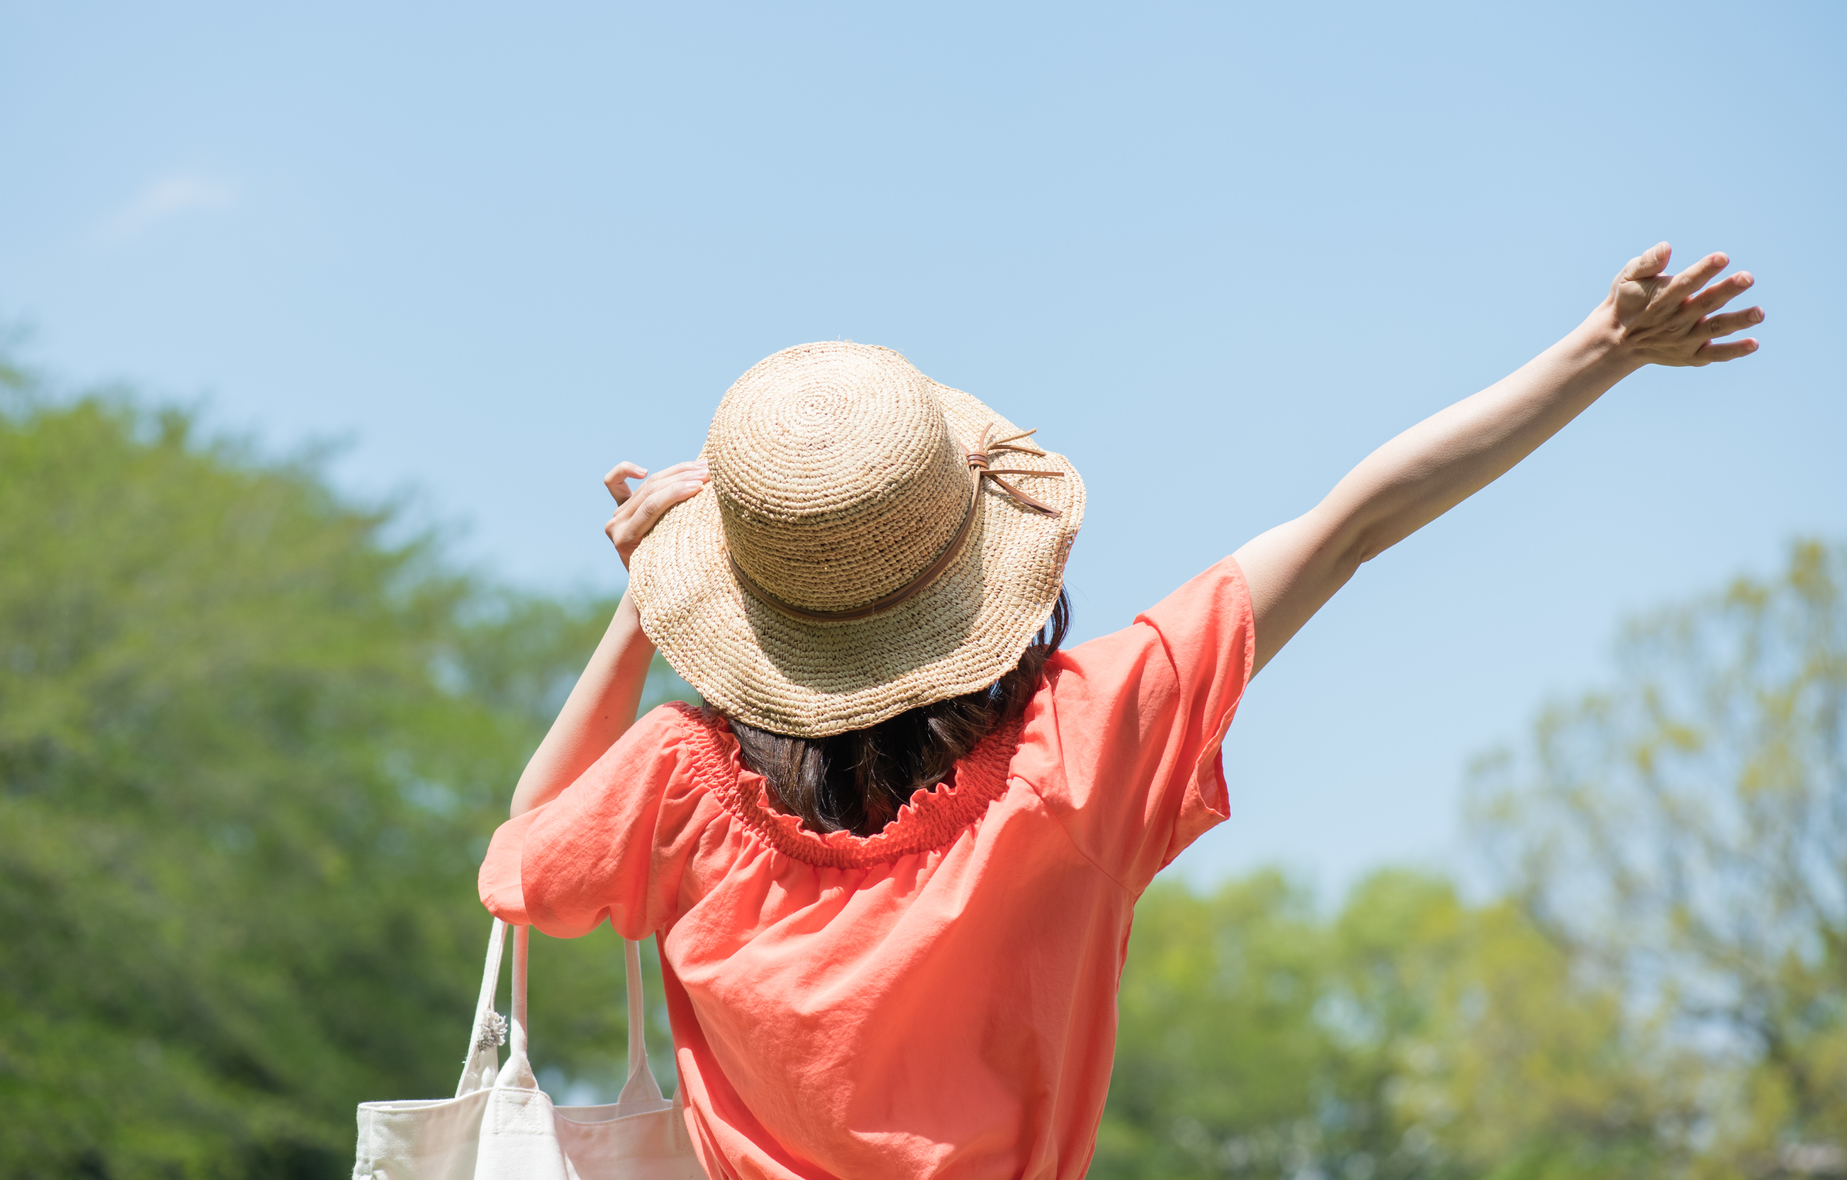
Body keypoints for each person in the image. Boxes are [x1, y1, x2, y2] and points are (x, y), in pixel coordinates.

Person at [479, 243, 1762, 1179]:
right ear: (972, 556)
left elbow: (520, 858)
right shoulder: (1079, 748)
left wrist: (642, 605)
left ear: (743, 597)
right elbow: (1354, 521)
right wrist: (1598, 349)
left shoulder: (678, 788)